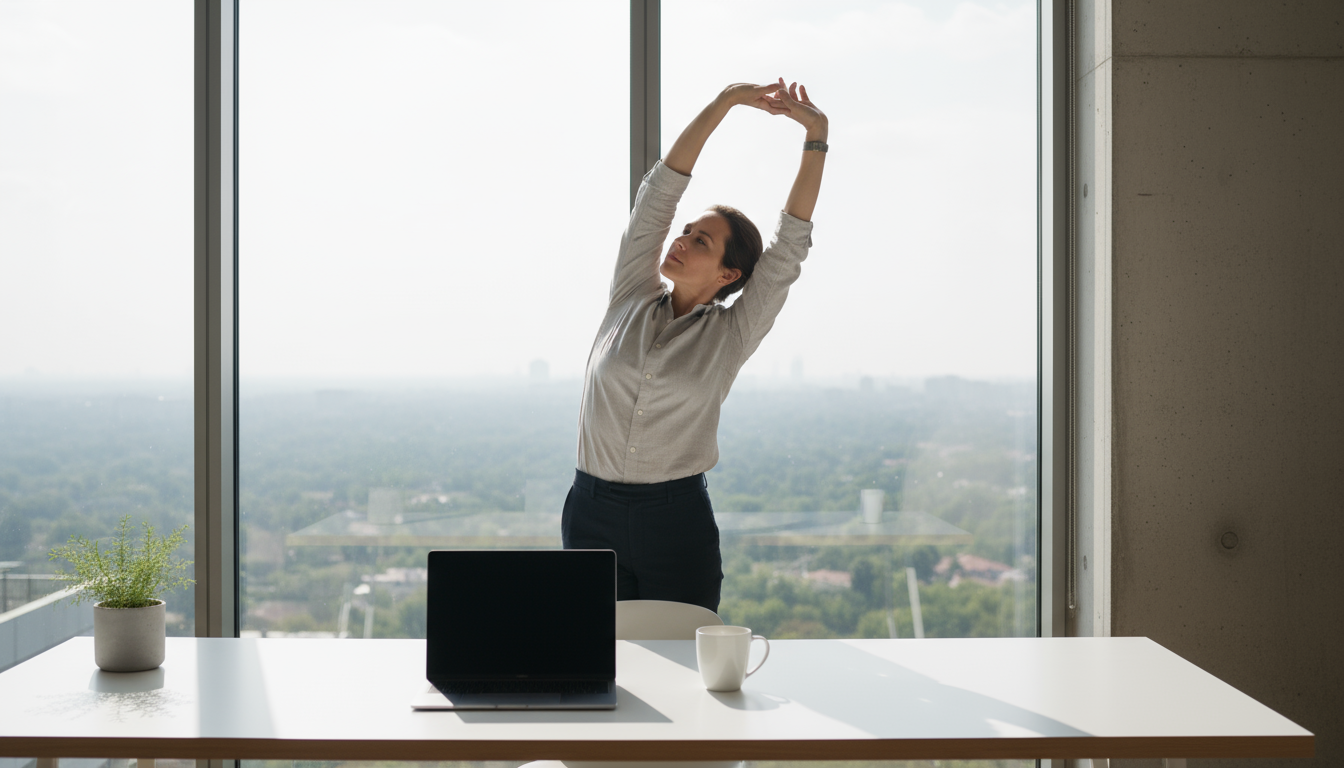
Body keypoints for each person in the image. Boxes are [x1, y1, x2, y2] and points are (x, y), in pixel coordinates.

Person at [561, 78, 828, 613]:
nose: (680, 240)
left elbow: (788, 247)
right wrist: (726, 101)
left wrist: (816, 139)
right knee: (597, 665)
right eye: (685, 231)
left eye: (699, 240)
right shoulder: (630, 294)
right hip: (590, 511)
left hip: (674, 522)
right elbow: (659, 195)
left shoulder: (731, 334)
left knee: (685, 672)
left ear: (730, 274)